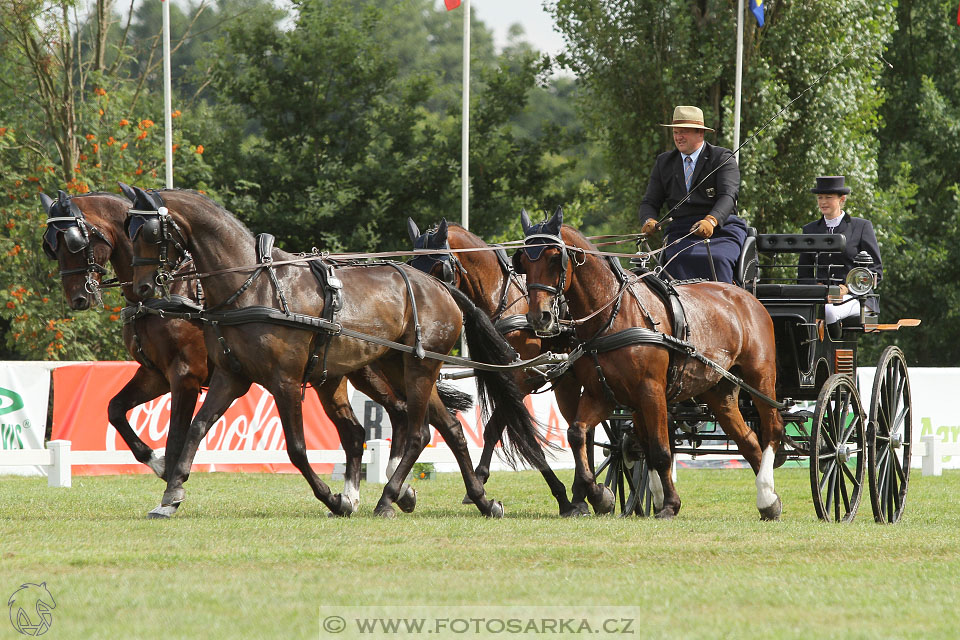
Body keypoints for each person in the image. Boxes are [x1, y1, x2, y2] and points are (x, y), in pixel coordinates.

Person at [638, 105, 748, 283]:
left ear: (700, 133)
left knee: (718, 260)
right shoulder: (664, 162)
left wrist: (711, 220)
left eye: (684, 132)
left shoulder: (722, 158)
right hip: (681, 233)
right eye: (676, 132)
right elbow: (649, 202)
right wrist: (648, 220)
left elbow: (728, 195)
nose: (678, 137)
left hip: (721, 230)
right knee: (673, 263)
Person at [799, 175, 883, 329]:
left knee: (830, 312)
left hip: (857, 298)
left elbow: (876, 271)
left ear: (842, 199)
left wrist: (847, 288)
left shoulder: (861, 227)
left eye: (828, 197)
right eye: (820, 197)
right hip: (821, 297)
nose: (823, 202)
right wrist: (818, 288)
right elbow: (803, 275)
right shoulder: (809, 230)